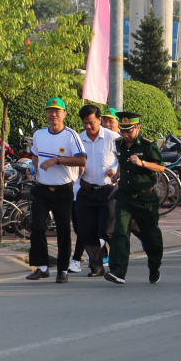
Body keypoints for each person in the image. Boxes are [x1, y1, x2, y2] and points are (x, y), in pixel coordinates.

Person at [25, 98, 87, 283]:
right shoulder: (39, 134)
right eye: (50, 111)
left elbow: (82, 160)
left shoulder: (71, 135)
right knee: (37, 227)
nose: (53, 115)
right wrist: (33, 167)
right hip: (42, 189)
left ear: (64, 114)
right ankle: (42, 267)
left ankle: (62, 270)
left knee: (62, 231)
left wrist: (57, 160)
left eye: (57, 111)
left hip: (63, 190)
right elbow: (35, 154)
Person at [103, 113, 166, 285]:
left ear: (137, 128)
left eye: (129, 131)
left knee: (151, 235)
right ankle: (118, 271)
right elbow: (121, 162)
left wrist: (142, 163)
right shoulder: (119, 144)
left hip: (145, 198)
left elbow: (160, 167)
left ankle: (154, 266)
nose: (125, 135)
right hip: (124, 197)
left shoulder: (148, 146)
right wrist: (117, 175)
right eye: (123, 131)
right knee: (120, 232)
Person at [75, 105, 120, 277]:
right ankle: (97, 267)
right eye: (85, 123)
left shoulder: (113, 137)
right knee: (86, 231)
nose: (88, 127)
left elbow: (123, 159)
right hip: (86, 191)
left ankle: (117, 265)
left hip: (108, 191)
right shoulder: (78, 139)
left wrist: (116, 171)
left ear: (99, 120)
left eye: (91, 122)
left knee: (107, 231)